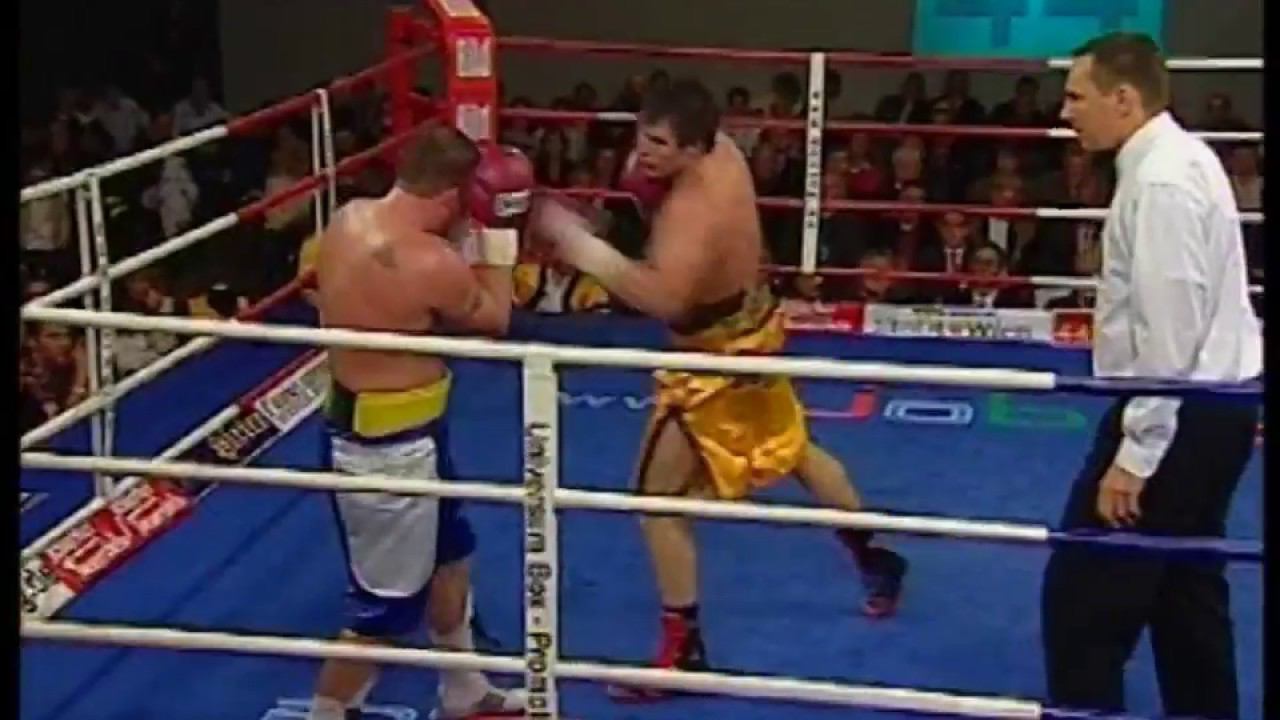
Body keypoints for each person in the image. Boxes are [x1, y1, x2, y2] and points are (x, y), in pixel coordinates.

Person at [533, 80, 908, 698]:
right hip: (753, 323)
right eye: (642, 136)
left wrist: (583, 246)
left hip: (713, 358)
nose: (644, 153)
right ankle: (875, 557)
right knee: (790, 446)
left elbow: (665, 299)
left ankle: (683, 650)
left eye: (659, 144)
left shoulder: (693, 208)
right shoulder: (722, 150)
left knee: (655, 500)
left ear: (692, 147)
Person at [1045, 32, 1262, 720]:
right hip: (1212, 404)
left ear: (1123, 99)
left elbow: (1170, 331)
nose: (1065, 112)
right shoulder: (1175, 160)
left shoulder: (1162, 181)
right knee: (1183, 596)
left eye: (1076, 96)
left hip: (1179, 410)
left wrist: (1136, 452)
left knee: (1082, 604)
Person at [307, 124, 534, 720]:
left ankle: (464, 690)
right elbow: (496, 318)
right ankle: (325, 714)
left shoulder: (349, 218)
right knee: (384, 612)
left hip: (401, 434)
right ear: (455, 196)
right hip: (388, 451)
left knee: (451, 558)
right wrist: (499, 234)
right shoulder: (428, 260)